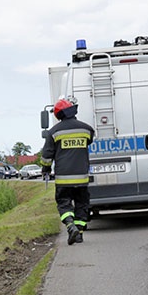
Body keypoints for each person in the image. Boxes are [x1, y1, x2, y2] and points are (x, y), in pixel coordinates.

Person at [41, 98, 95, 245]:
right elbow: (90, 140)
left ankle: (71, 227)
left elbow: (47, 156)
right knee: (82, 205)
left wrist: (45, 169)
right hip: (82, 178)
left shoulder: (53, 132)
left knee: (64, 204)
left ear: (58, 115)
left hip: (63, 179)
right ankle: (79, 234)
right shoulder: (86, 129)